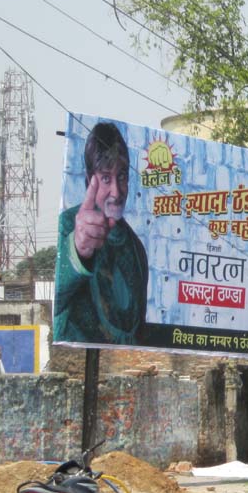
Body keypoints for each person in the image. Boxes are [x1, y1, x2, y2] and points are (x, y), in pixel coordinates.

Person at [55, 122, 149, 345]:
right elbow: (56, 301)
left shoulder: (136, 249)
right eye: (106, 178)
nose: (116, 193)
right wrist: (77, 252)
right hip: (73, 362)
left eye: (123, 177)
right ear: (89, 181)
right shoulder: (68, 225)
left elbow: (139, 331)